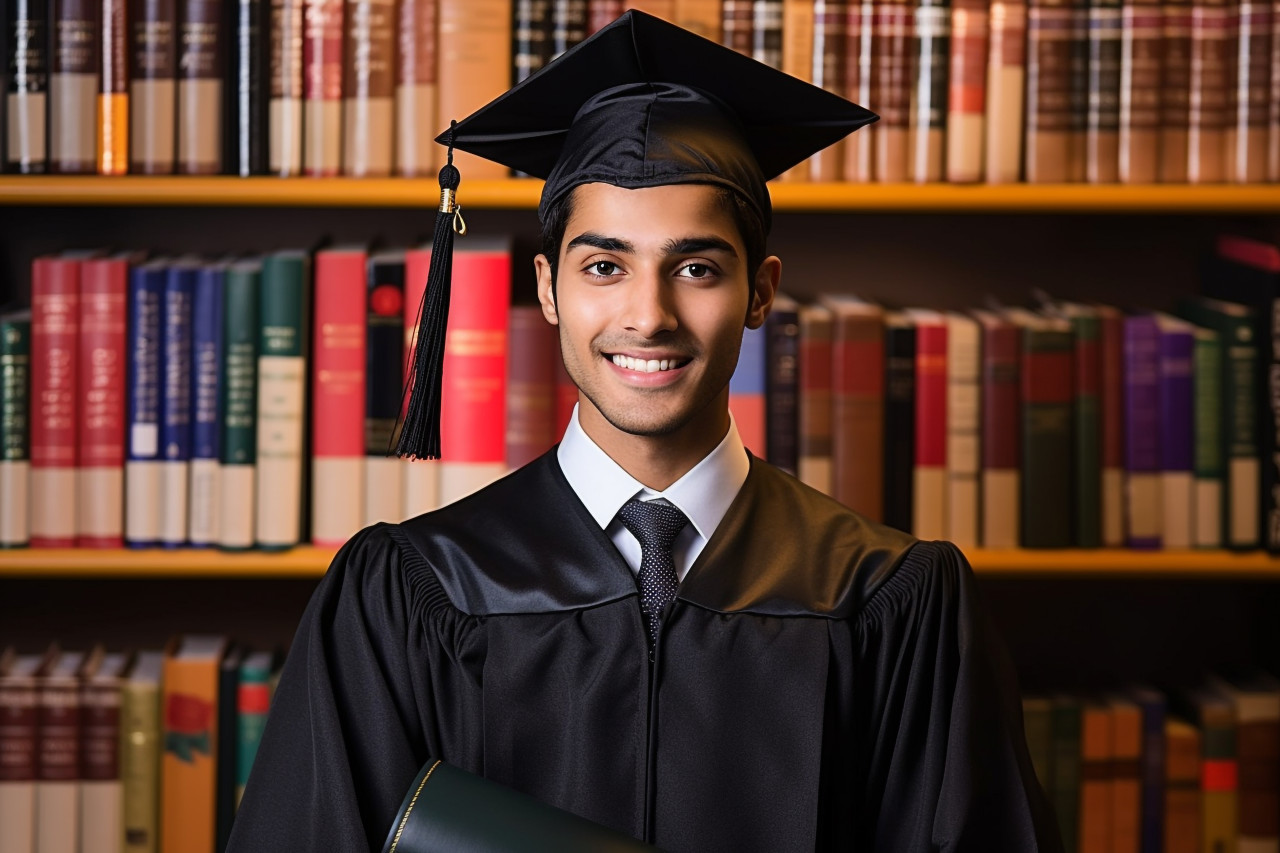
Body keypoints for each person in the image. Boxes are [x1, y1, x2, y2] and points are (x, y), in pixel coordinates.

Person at [228, 11, 1062, 853]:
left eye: (696, 268)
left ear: (762, 292)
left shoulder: (887, 601)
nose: (649, 315)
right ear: (548, 290)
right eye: (605, 266)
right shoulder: (412, 594)